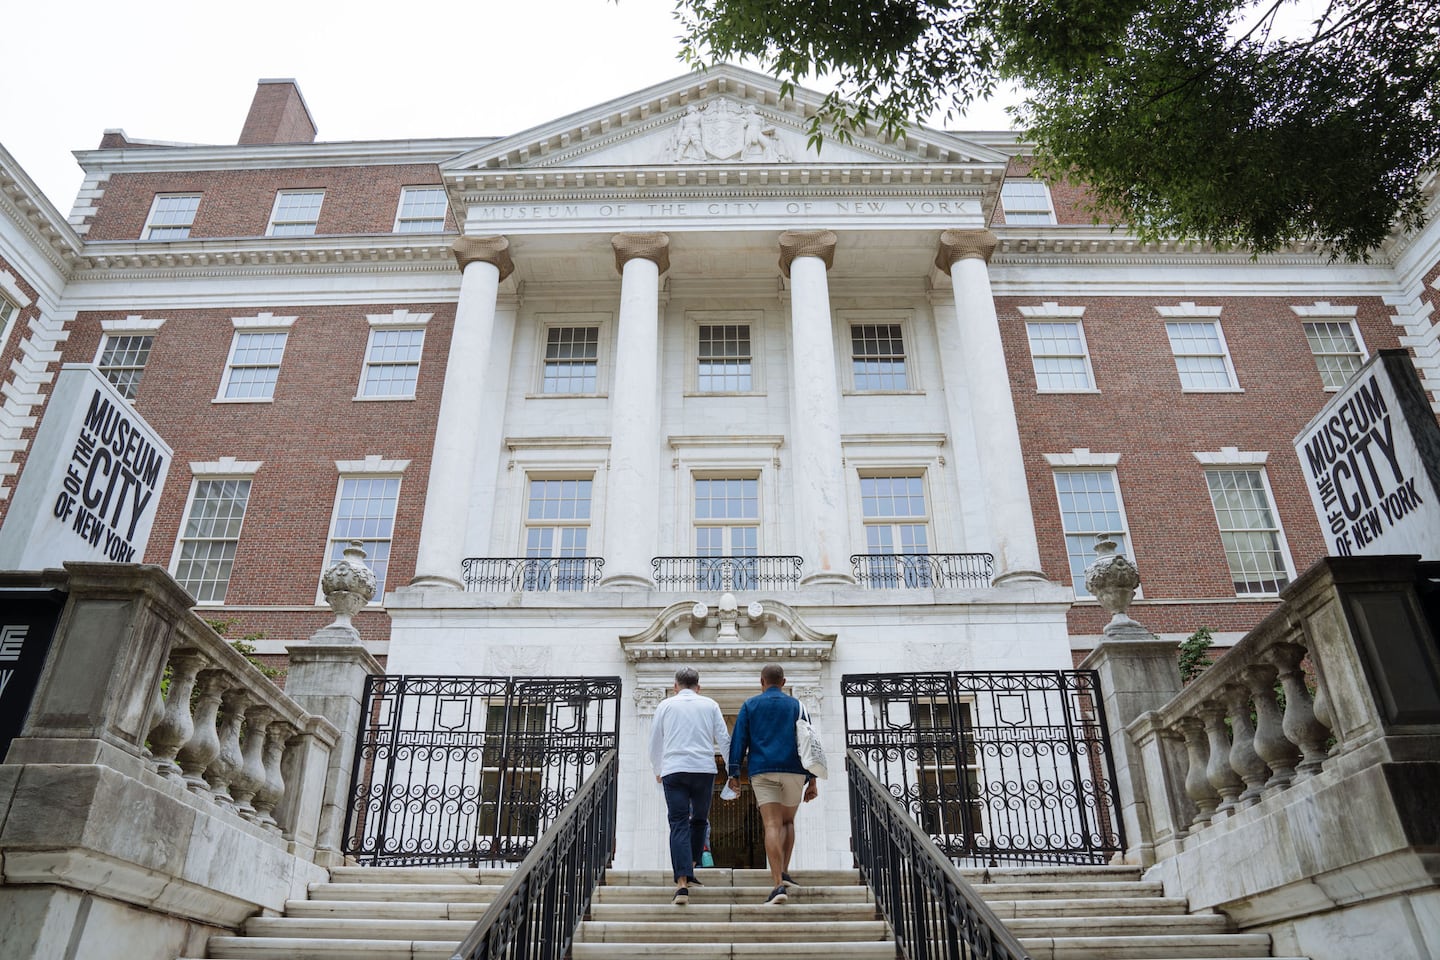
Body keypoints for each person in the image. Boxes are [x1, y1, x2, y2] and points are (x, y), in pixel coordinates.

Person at [727, 663, 817, 905]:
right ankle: (785, 872)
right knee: (788, 821)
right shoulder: (797, 705)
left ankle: (778, 884)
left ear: (762, 682)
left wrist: (733, 772)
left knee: (771, 825)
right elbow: (810, 741)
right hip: (794, 769)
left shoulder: (750, 705)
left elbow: (739, 740)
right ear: (784, 682)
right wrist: (812, 779)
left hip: (763, 770)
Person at [649, 666, 731, 905]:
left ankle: (682, 882)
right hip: (703, 769)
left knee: (678, 822)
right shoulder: (710, 705)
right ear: (698, 686)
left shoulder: (665, 706)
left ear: (675, 686)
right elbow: (724, 739)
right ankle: (691, 867)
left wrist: (657, 769)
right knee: (699, 821)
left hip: (674, 769)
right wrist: (730, 770)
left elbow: (655, 740)